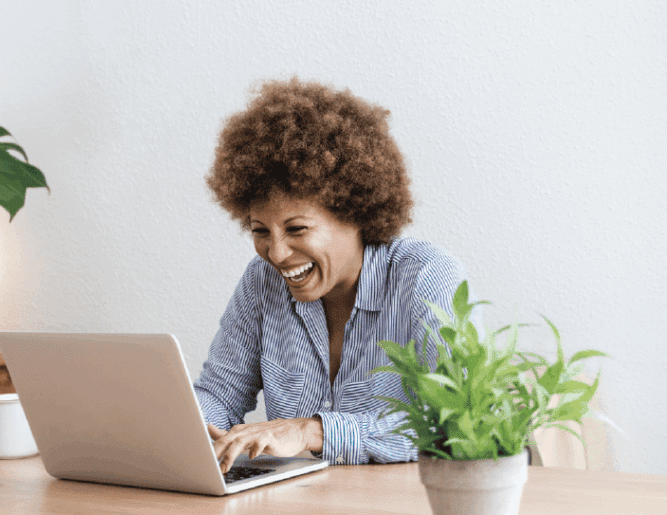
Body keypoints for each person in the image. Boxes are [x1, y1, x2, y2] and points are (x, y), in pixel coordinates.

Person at [194, 78, 467, 473]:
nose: (277, 253)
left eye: (297, 229)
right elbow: (219, 395)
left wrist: (311, 432)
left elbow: (455, 423)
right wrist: (182, 428)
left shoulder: (426, 277)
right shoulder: (261, 282)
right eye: (260, 231)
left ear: (355, 211)